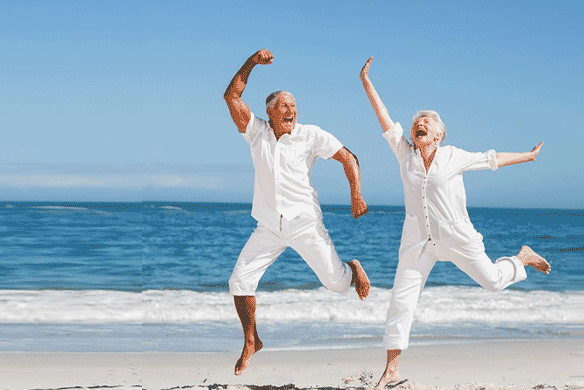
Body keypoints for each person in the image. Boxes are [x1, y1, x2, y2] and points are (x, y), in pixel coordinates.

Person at [359, 57, 551, 388]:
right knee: (400, 302)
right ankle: (392, 370)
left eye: (426, 122)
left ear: (439, 133)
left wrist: (527, 156)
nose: (418, 123)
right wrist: (366, 82)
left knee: (492, 281)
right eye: (416, 121)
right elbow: (385, 121)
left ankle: (521, 257)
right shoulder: (406, 155)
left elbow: (492, 160)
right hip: (417, 243)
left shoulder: (453, 156)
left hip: (457, 238)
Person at [223, 48, 371, 375]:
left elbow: (349, 158)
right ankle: (252, 341)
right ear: (270, 112)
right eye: (284, 105)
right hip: (268, 228)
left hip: (305, 224)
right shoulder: (257, 133)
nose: (292, 110)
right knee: (239, 281)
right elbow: (231, 97)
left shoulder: (309, 135)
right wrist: (251, 62)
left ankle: (352, 267)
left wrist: (356, 193)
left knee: (336, 284)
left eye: (294, 105)